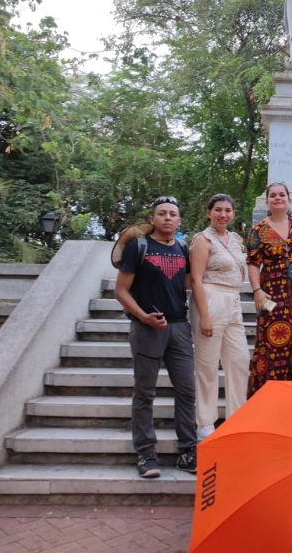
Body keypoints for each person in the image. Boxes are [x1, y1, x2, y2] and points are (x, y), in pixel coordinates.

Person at [114, 196, 197, 478]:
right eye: (162, 213)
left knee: (187, 391)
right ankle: (147, 454)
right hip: (147, 328)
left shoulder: (183, 247)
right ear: (153, 219)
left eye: (173, 214)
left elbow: (187, 282)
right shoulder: (139, 246)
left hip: (179, 328)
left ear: (179, 220)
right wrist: (142, 316)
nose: (167, 218)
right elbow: (121, 290)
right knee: (145, 393)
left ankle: (188, 451)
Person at [189, 194, 250, 441]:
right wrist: (204, 316)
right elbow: (196, 278)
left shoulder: (235, 239)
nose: (223, 214)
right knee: (207, 364)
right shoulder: (202, 240)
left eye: (227, 210)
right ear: (209, 212)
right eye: (218, 210)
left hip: (234, 301)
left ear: (233, 214)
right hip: (210, 298)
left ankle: (237, 416)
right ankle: (205, 421)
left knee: (239, 360)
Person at [246, 182, 292, 396]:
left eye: (282, 194)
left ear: (289, 199)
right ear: (267, 201)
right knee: (270, 346)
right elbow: (252, 263)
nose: (278, 198)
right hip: (271, 296)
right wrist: (257, 290)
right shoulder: (258, 230)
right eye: (273, 195)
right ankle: (267, 398)